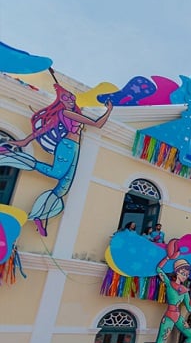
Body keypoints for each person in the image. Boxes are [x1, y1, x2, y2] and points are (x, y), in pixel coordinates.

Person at [2, 79, 113, 236]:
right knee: (56, 173)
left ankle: (40, 215)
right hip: (67, 146)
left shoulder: (67, 114)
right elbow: (97, 124)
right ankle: (13, 155)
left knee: (63, 187)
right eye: (65, 98)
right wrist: (109, 110)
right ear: (60, 101)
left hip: (75, 148)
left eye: (71, 97)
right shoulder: (66, 113)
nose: (70, 100)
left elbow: (44, 128)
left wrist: (26, 140)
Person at [133, 239, 191, 343]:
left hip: (177, 316)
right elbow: (159, 269)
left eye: (187, 273)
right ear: (177, 272)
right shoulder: (170, 285)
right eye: (183, 272)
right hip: (170, 316)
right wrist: (168, 258)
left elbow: (190, 308)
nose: (185, 275)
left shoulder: (185, 290)